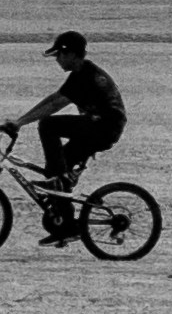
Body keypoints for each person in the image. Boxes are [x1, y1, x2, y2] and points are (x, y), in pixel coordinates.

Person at [8, 30, 125, 242]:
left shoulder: (87, 76)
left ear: (70, 54)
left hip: (105, 127)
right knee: (57, 167)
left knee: (48, 126)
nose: (57, 61)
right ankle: (66, 226)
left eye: (59, 56)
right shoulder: (79, 74)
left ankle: (58, 182)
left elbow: (55, 105)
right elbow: (54, 98)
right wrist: (19, 120)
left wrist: (20, 123)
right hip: (97, 127)